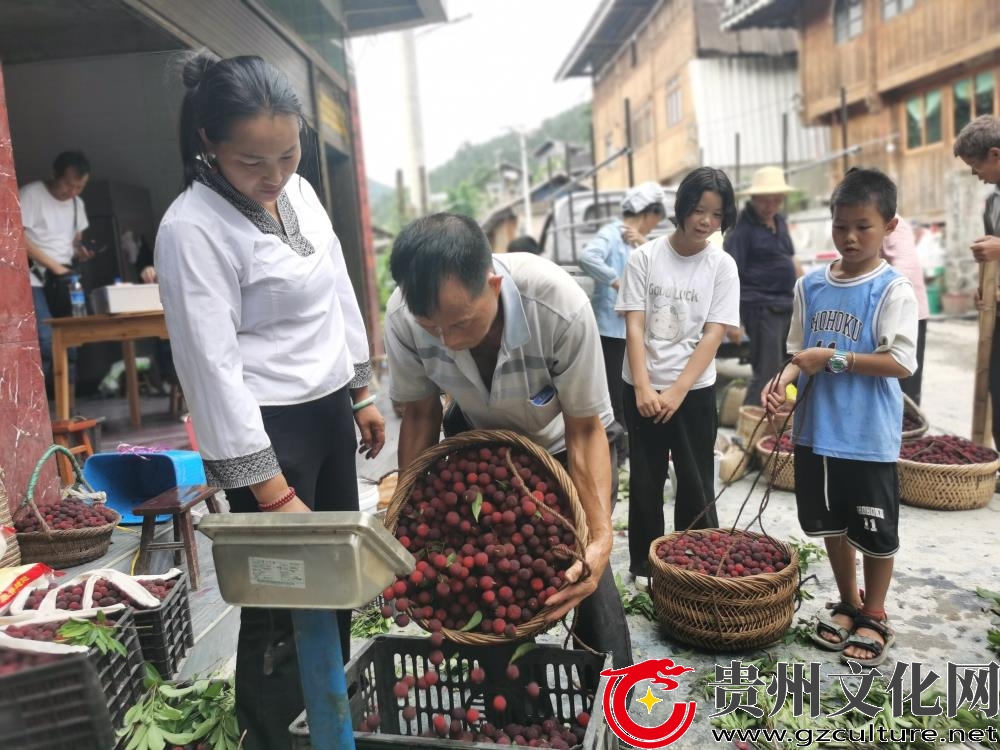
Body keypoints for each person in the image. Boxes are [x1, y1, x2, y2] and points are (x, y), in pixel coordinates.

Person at [154, 51, 385, 749]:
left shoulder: (300, 194)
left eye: (288, 154)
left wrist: (361, 388)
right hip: (265, 435)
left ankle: (328, 716)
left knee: (335, 579)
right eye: (253, 161)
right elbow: (211, 368)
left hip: (324, 414)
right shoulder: (189, 228)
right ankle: (273, 733)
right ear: (209, 145)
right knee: (279, 598)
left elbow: (336, 288)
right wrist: (273, 491)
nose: (275, 175)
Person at [384, 213, 633, 669]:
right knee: (482, 584)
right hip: (479, 447)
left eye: (458, 324)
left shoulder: (558, 306)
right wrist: (404, 513)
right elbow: (420, 414)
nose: (447, 341)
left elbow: (585, 428)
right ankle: (513, 699)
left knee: (585, 575)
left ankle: (614, 697)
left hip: (562, 442)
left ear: (493, 287)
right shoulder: (403, 317)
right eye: (431, 328)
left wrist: (600, 537)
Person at [762, 167, 918, 666]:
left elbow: (901, 362)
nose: (850, 237)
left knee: (874, 530)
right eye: (840, 226)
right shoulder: (810, 286)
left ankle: (875, 613)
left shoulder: (892, 290)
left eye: (863, 227)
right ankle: (847, 603)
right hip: (817, 432)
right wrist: (782, 389)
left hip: (867, 436)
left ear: (889, 226)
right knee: (831, 525)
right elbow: (794, 355)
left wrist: (833, 359)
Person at [616, 167, 740, 582]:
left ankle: (694, 563)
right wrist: (645, 387)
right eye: (699, 209)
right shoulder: (644, 257)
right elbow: (633, 325)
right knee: (646, 482)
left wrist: (678, 391)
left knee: (696, 480)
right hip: (643, 389)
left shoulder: (721, 265)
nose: (706, 221)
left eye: (717, 215)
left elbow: (714, 333)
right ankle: (646, 566)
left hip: (694, 392)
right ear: (682, 206)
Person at [578, 182, 666, 463]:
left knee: (634, 390)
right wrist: (618, 284)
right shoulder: (612, 233)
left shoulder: (641, 241)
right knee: (614, 395)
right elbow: (587, 258)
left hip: (636, 331)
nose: (655, 226)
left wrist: (643, 241)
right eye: (655, 220)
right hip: (610, 331)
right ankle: (617, 457)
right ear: (648, 213)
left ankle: (632, 453)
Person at [723, 165, 803, 406]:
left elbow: (792, 259)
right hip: (760, 307)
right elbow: (730, 274)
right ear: (754, 198)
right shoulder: (741, 229)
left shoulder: (779, 221)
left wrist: (808, 293)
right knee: (767, 373)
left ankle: (778, 428)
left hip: (786, 305)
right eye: (766, 201)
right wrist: (733, 320)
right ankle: (748, 434)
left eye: (776, 200)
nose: (771, 205)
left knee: (790, 369)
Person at [20, 151, 93, 385]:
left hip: (64, 278)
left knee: (71, 337)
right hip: (33, 277)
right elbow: (16, 238)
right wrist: (53, 265)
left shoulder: (76, 204)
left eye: (79, 187)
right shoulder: (31, 195)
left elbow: (75, 240)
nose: (71, 192)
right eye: (67, 185)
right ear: (54, 175)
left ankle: (68, 403)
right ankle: (44, 401)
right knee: (45, 338)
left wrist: (80, 250)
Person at [953, 114, 1000, 450]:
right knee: (996, 388)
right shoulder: (993, 202)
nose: (974, 173)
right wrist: (986, 281)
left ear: (995, 154)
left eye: (975, 164)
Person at [880, 215, 930, 404]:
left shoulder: (895, 225)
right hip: (886, 313)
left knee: (904, 382)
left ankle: (906, 429)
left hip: (906, 312)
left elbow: (904, 268)